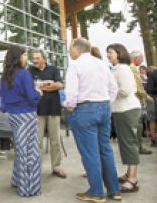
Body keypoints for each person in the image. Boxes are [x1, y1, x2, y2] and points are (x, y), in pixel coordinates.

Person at [65, 38, 120, 202]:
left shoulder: (75, 65)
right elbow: (114, 88)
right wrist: (105, 102)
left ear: (77, 49)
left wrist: (70, 105)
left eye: (70, 48)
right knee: (105, 149)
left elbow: (72, 92)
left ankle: (96, 192)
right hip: (103, 107)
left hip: (85, 109)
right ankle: (114, 190)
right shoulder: (102, 64)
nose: (69, 52)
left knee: (90, 152)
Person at [0, 45, 41, 197]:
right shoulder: (24, 74)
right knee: (30, 152)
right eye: (24, 55)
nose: (26, 58)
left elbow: (2, 101)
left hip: (13, 116)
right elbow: (31, 96)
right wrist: (39, 94)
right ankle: (28, 188)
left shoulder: (5, 76)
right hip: (26, 115)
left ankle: (17, 180)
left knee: (20, 148)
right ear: (18, 58)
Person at [28, 49, 67, 179]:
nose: (35, 60)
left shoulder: (53, 69)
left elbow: (60, 85)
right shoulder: (30, 71)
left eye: (37, 58)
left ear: (44, 58)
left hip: (53, 109)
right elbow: (30, 87)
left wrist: (41, 86)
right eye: (33, 58)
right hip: (37, 110)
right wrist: (49, 84)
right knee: (37, 141)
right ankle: (36, 168)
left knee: (55, 140)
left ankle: (57, 167)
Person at [108, 44, 141, 192]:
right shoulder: (116, 69)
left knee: (129, 143)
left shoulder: (123, 69)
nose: (108, 55)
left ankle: (133, 179)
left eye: (111, 52)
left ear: (120, 53)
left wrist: (108, 93)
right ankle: (129, 173)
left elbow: (125, 90)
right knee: (125, 143)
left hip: (127, 109)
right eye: (107, 52)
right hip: (120, 110)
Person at [129, 50, 153, 155]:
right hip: (136, 100)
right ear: (136, 58)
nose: (142, 60)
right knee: (138, 125)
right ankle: (139, 147)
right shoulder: (133, 69)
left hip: (134, 100)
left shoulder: (130, 68)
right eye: (141, 58)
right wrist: (146, 96)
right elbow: (138, 86)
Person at [147, 66, 157, 146]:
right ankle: (154, 139)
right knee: (152, 119)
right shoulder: (153, 74)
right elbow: (149, 89)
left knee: (152, 119)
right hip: (153, 100)